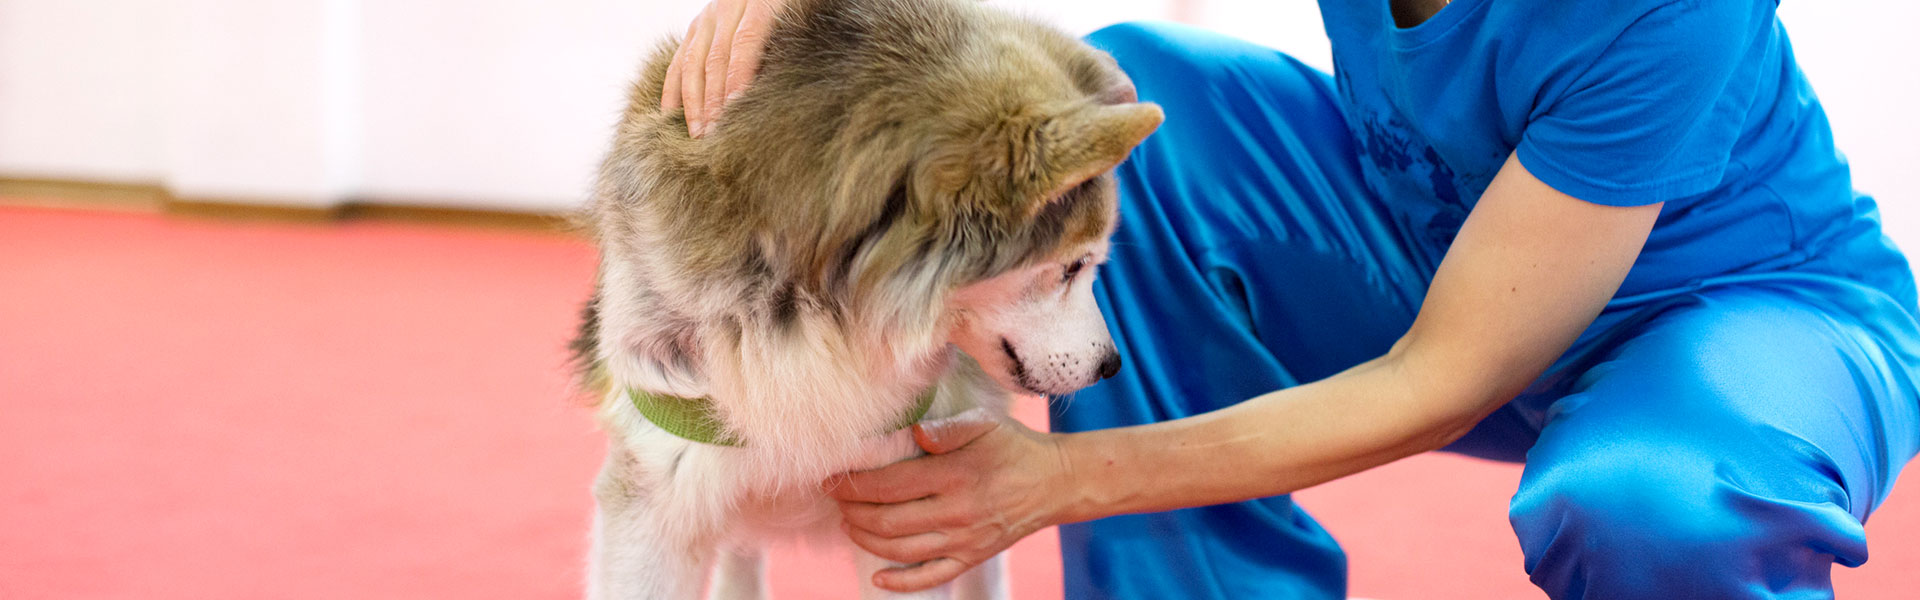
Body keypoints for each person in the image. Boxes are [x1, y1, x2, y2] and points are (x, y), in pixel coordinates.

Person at [664, 0, 1920, 597]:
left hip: (1752, 311)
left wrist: (1055, 480)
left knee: (1649, 502)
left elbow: (1443, 379)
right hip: (1442, 236)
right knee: (1128, 104)